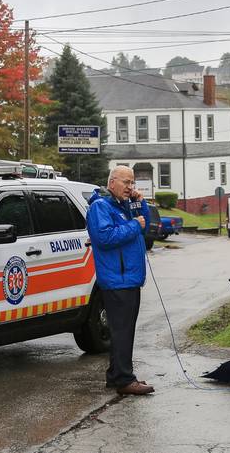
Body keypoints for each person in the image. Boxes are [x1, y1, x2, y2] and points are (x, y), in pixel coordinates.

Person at [86, 165, 154, 396]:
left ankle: (116, 375)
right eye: (126, 182)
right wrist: (135, 225)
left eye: (132, 183)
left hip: (129, 278)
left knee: (123, 330)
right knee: (122, 331)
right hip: (118, 279)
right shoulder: (100, 207)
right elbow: (105, 237)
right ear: (112, 182)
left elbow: (146, 225)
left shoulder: (123, 206)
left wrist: (139, 204)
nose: (130, 187)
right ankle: (125, 379)